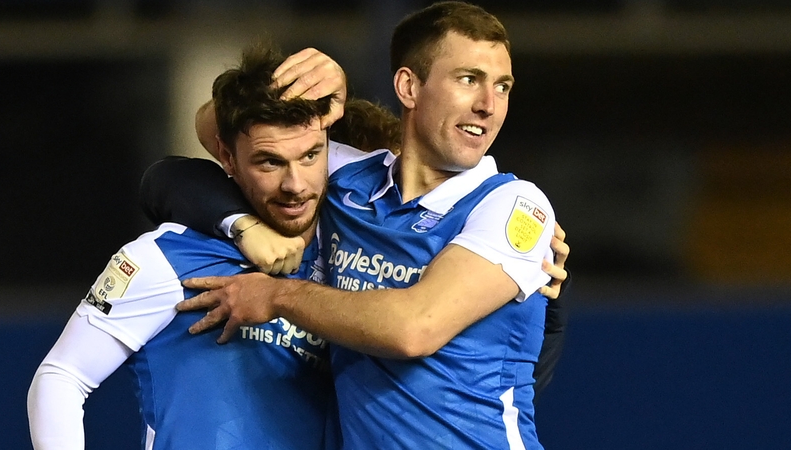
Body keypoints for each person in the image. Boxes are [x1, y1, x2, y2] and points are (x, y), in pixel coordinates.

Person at [144, 2, 569, 448]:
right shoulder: (351, 180)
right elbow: (219, 126)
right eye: (469, 80)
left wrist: (276, 295)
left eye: (502, 86)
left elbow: (414, 328)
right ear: (408, 86)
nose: (488, 105)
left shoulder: (516, 204)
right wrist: (317, 94)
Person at [27, 42, 387, 450]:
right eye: (269, 162)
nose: (295, 185)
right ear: (227, 158)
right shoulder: (167, 257)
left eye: (310, 156)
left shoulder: (353, 264)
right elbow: (62, 377)